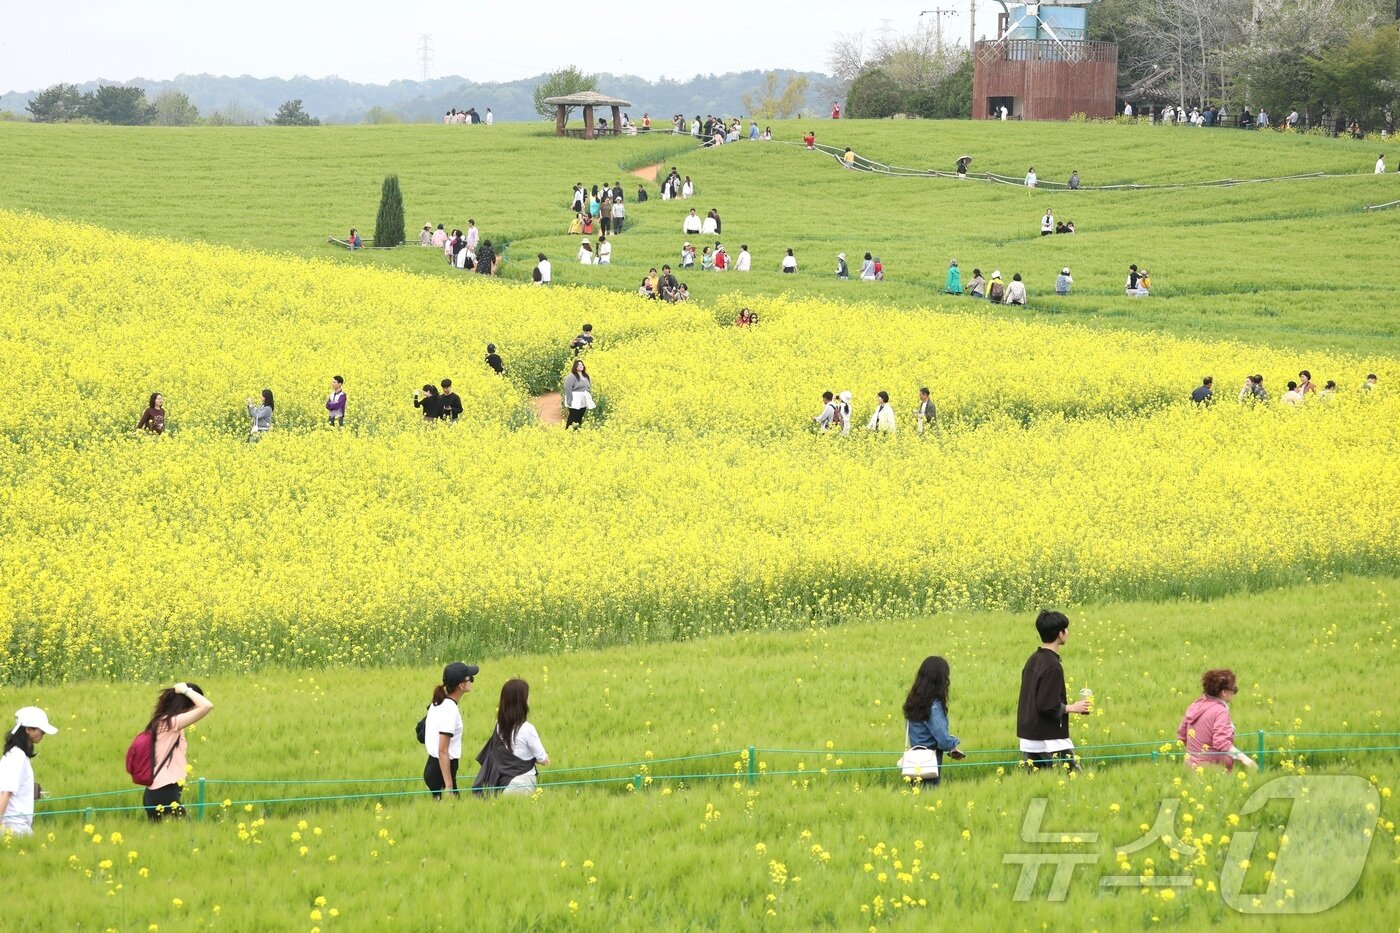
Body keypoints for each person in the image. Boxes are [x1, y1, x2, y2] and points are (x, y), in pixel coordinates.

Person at [1017, 610, 1091, 769]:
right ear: (1060, 634)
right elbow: (1047, 705)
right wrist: (1073, 707)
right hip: (1048, 737)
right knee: (1073, 776)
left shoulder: (1033, 659)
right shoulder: (1052, 666)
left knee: (1036, 781)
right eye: (1066, 629)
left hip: (1029, 735)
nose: (1067, 632)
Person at [141, 682, 214, 820]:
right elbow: (207, 706)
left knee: (165, 832)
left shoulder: (164, 721)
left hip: (158, 792)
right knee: (186, 830)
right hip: (163, 791)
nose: (194, 709)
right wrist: (185, 690)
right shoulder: (171, 723)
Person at [472, 679, 549, 796]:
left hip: (501, 783)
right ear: (522, 702)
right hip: (523, 783)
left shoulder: (499, 726)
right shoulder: (527, 729)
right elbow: (543, 759)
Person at [1178, 669, 1257, 771]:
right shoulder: (1220, 711)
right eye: (1233, 689)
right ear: (1224, 692)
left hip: (1188, 767)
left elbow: (1182, 734)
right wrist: (1245, 759)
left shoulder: (1195, 705)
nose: (1234, 693)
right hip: (1211, 769)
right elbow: (1221, 742)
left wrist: (1196, 756)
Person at [902, 657, 961, 786]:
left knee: (917, 794)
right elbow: (943, 741)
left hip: (914, 761)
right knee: (930, 793)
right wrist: (954, 743)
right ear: (939, 680)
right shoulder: (933, 706)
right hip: (930, 761)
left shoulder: (913, 702)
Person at [423, 662, 478, 799]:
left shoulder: (437, 702)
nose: (471, 681)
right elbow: (442, 750)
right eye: (470, 679)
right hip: (441, 772)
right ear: (461, 685)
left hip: (433, 767)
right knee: (453, 807)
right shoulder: (450, 710)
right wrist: (449, 786)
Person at [1, 707, 58, 836]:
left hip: (15, 827)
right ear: (28, 729)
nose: (43, 734)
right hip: (15, 828)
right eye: (41, 731)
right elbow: (5, 792)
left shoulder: (15, 754)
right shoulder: (17, 756)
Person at [563, 359, 593, 429]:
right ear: (575, 366)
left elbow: (588, 387)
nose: (581, 366)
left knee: (580, 416)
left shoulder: (585, 376)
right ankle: (568, 431)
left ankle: (577, 430)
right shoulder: (572, 376)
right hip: (575, 398)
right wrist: (569, 400)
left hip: (583, 398)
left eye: (582, 364)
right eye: (579, 365)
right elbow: (568, 388)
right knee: (573, 416)